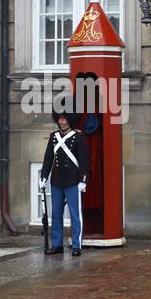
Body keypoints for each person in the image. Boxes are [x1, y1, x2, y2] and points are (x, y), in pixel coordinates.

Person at [39, 104, 89, 257]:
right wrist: (44, 176)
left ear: (70, 120)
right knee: (56, 214)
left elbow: (84, 160)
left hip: (73, 181)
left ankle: (76, 245)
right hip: (56, 180)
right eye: (60, 119)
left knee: (75, 214)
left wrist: (83, 180)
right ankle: (57, 244)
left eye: (64, 119)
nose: (62, 122)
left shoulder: (78, 136)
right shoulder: (54, 136)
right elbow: (48, 158)